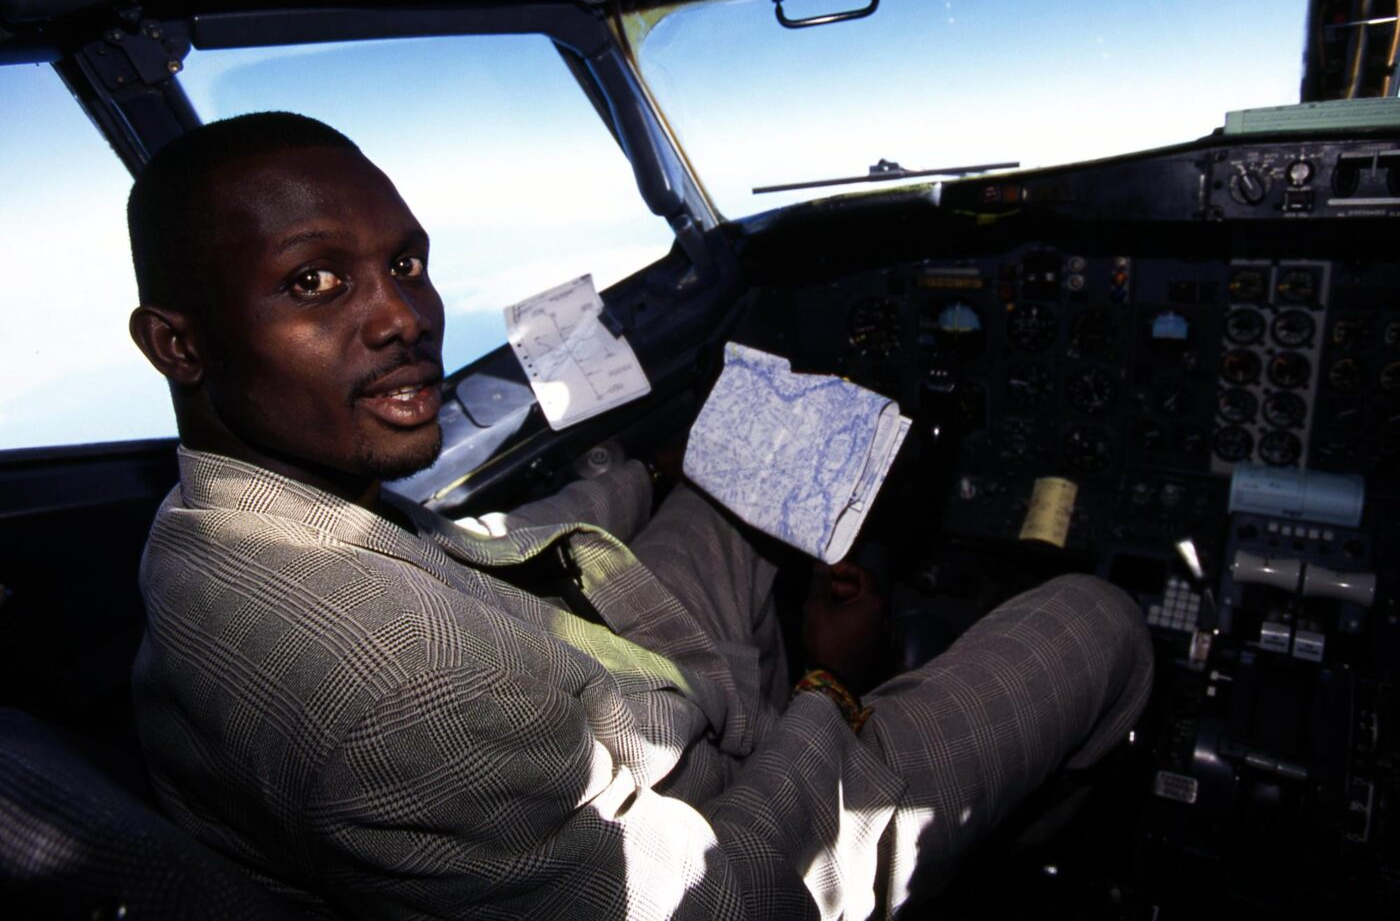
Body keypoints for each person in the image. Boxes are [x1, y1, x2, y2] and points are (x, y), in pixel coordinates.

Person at [127, 111, 1152, 920]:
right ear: (177, 345)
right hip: (715, 823)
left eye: (404, 264)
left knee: (733, 488)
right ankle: (1016, 854)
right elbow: (721, 899)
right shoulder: (403, 695)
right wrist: (830, 682)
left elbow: (462, 551)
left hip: (608, 694)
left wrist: (651, 473)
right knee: (1095, 619)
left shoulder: (208, 523)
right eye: (314, 281)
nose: (404, 316)